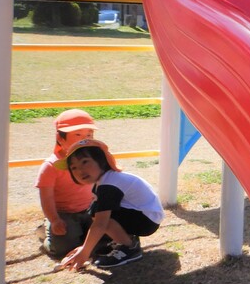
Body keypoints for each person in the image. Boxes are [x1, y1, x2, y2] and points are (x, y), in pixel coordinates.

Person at [60, 138, 164, 270]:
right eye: (73, 167)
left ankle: (129, 248)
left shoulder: (109, 183)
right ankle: (127, 240)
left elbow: (101, 223)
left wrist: (85, 252)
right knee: (95, 210)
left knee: (100, 215)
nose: (80, 170)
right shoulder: (105, 181)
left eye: (85, 162)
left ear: (102, 161)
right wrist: (85, 248)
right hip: (145, 216)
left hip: (147, 221)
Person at [35, 108, 98, 258]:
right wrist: (55, 219)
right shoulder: (51, 166)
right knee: (63, 250)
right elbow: (47, 198)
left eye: (89, 134)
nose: (85, 139)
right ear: (61, 139)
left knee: (100, 241)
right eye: (77, 134)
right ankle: (47, 231)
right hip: (64, 214)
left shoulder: (94, 159)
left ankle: (76, 232)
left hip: (90, 209)